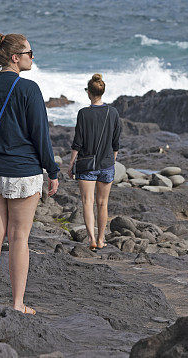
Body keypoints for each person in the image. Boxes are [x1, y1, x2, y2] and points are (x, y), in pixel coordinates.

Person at [0, 31, 59, 315]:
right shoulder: (29, 89)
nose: (33, 57)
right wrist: (52, 170)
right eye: (30, 53)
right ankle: (17, 305)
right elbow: (40, 134)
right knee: (19, 238)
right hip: (23, 171)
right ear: (16, 58)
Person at [67, 74, 121, 250]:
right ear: (102, 92)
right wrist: (111, 160)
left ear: (89, 93)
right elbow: (116, 142)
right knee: (103, 203)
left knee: (87, 203)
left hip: (86, 165)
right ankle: (101, 239)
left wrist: (71, 164)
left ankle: (91, 238)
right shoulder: (112, 112)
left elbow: (78, 142)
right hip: (106, 165)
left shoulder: (83, 113)